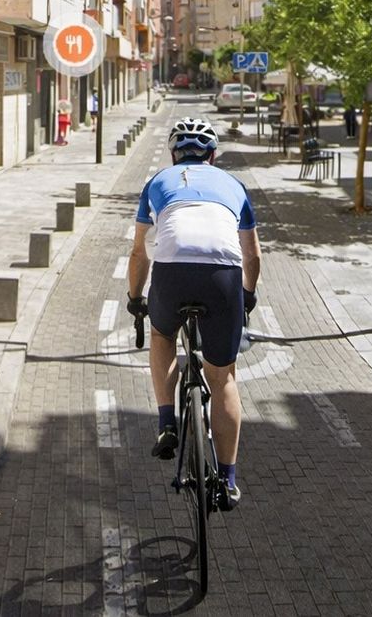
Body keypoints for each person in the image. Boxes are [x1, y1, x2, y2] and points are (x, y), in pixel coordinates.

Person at [126, 116, 260, 511]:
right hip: (223, 276)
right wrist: (246, 297)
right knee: (223, 377)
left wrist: (136, 298)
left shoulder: (157, 183)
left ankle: (167, 421)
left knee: (162, 335)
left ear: (173, 155)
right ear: (213, 156)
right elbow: (252, 256)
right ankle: (229, 480)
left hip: (172, 272)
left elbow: (139, 253)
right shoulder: (234, 186)